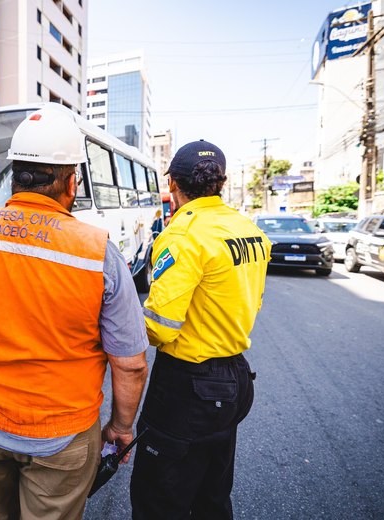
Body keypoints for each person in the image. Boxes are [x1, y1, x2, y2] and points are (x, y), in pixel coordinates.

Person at [0, 106, 149, 520]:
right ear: (71, 181)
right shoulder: (97, 252)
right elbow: (131, 364)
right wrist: (121, 428)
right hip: (59, 434)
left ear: (14, 175)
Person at [130, 140, 271, 519]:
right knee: (212, 495)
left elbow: (160, 328)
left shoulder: (182, 235)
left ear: (173, 184)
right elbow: (251, 300)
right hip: (235, 377)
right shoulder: (249, 230)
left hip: (187, 387)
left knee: (157, 499)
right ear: (220, 182)